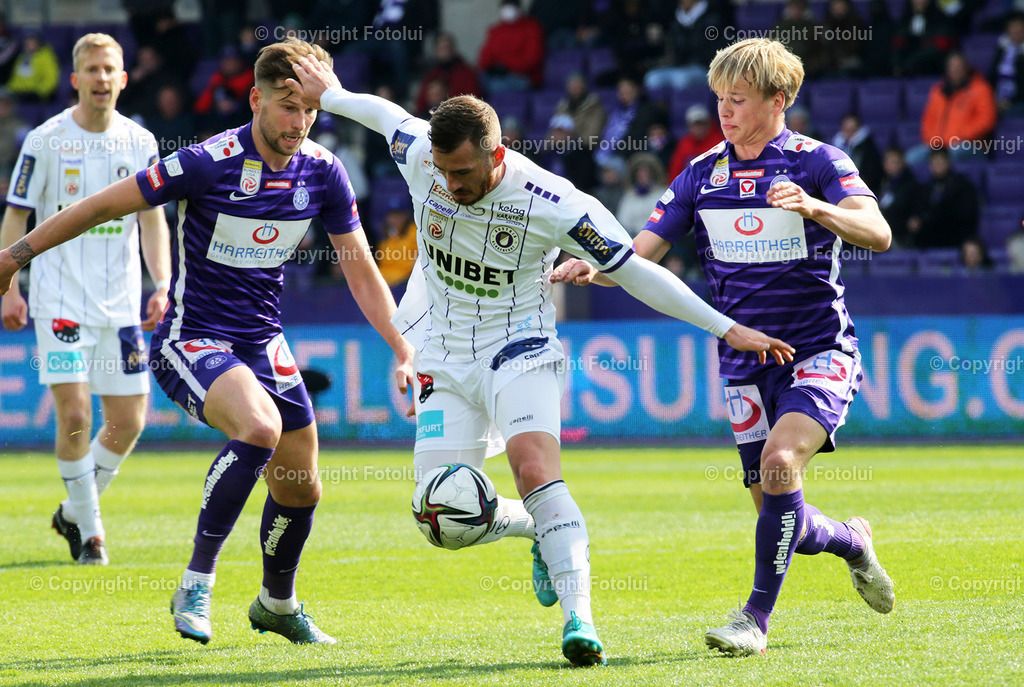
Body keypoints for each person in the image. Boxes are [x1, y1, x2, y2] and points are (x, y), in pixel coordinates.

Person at [286, 51, 794, 667]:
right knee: (437, 516)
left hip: (518, 345)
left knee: (534, 470)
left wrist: (725, 327)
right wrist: (331, 95)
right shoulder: (421, 153)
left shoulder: (553, 201)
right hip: (441, 352)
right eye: (442, 171)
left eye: (463, 172)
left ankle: (580, 619)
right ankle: (534, 530)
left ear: (496, 155)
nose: (451, 185)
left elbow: (635, 273)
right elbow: (382, 114)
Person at [0, 38, 415, 646]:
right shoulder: (206, 162)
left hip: (263, 342)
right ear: (255, 100)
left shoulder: (323, 171)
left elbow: (360, 270)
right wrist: (15, 257)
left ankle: (277, 603)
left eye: (310, 109)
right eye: (287, 106)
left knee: (300, 485)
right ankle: (196, 584)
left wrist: (402, 347)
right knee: (259, 428)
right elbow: (98, 207)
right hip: (192, 339)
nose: (299, 122)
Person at [553, 38, 895, 657]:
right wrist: (594, 268)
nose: (725, 111)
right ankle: (852, 541)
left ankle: (754, 621)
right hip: (742, 361)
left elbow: (878, 232)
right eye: (719, 99)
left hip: (818, 350)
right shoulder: (701, 174)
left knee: (781, 465)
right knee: (778, 513)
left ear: (778, 100)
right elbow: (640, 255)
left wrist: (816, 208)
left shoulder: (818, 162)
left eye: (738, 99)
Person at [0, 33, 171, 567]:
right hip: (59, 298)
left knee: (129, 420)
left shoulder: (141, 142)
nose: (101, 78)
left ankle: (73, 511)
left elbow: (153, 220)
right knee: (74, 412)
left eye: (109, 69)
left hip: (120, 301)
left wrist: (162, 283)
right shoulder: (45, 140)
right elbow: (16, 213)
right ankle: (92, 534)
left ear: (124, 79)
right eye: (92, 70)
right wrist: (11, 284)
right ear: (75, 80)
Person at [906, 51, 997, 165]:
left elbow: (986, 120)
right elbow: (928, 120)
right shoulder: (938, 91)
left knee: (952, 155)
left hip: (970, 145)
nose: (955, 70)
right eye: (952, 66)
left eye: (959, 66)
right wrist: (933, 141)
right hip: (939, 146)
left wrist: (960, 135)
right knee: (910, 158)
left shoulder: (981, 89)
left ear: (966, 68)